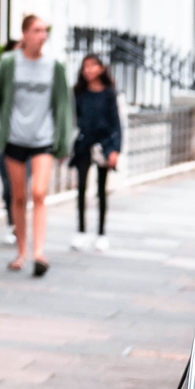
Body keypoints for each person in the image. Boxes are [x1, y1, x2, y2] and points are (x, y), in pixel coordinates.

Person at [0, 15, 74, 278]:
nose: (41, 35)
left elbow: (64, 106)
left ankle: (39, 253)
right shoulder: (10, 63)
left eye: (45, 31)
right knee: (18, 197)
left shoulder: (54, 66)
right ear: (24, 34)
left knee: (39, 193)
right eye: (36, 30)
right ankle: (21, 252)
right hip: (14, 138)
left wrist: (64, 140)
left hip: (42, 139)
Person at [70, 54, 124, 253]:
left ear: (101, 68)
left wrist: (116, 149)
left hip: (104, 145)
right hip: (84, 143)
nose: (89, 70)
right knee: (81, 187)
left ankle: (101, 233)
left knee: (101, 191)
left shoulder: (109, 93)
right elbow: (73, 119)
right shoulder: (78, 92)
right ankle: (81, 231)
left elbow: (116, 123)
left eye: (93, 66)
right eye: (86, 67)